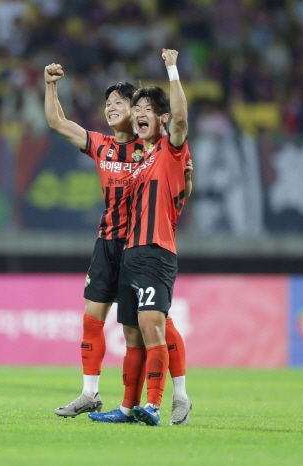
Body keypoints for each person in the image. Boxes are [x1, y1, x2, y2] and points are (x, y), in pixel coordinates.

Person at [44, 63, 192, 421]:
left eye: (120, 103)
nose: (111, 108)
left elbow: (179, 170)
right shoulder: (102, 146)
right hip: (109, 244)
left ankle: (177, 395)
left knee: (155, 325)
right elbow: (57, 123)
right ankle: (90, 394)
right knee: (98, 321)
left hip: (144, 246)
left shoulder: (154, 149)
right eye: (107, 103)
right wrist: (50, 86)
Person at [111, 49, 192, 426]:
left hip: (157, 251)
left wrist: (172, 68)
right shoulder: (144, 159)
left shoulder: (172, 148)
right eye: (136, 108)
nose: (139, 113)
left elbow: (180, 117)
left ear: (161, 118)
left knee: (152, 327)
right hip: (132, 253)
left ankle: (156, 405)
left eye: (147, 109)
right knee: (134, 332)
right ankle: (129, 408)